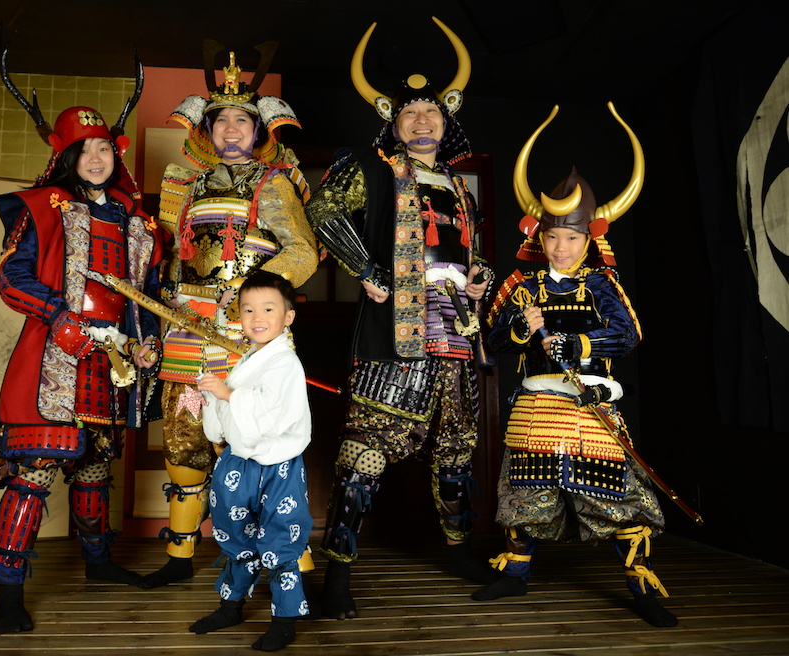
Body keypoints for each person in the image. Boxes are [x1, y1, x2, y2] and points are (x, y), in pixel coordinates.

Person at [304, 17, 494, 620]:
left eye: (430, 111)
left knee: (456, 448)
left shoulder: (459, 186)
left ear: (446, 120)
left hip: (457, 329)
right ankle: (338, 574)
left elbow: (464, 251)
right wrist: (365, 268)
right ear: (393, 122)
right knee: (365, 450)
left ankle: (460, 551)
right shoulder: (371, 165)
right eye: (409, 112)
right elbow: (324, 210)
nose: (420, 120)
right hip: (397, 331)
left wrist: (480, 275)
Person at [474, 104, 677, 627]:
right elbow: (492, 339)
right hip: (537, 404)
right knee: (525, 496)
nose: (560, 247)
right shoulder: (521, 286)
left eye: (571, 238)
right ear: (537, 237)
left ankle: (642, 588)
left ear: (591, 239)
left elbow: (629, 334)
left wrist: (578, 343)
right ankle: (515, 575)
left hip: (589, 403)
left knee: (617, 499)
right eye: (552, 237)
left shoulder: (602, 285)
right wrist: (521, 329)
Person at [0, 49, 161, 634]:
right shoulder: (43, 208)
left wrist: (145, 341)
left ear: (116, 153)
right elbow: (12, 278)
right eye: (83, 150)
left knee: (92, 470)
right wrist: (59, 316)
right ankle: (9, 592)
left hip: (111, 361)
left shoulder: (138, 220)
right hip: (53, 357)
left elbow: (147, 295)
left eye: (104, 147)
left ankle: (99, 564)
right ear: (65, 156)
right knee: (35, 473)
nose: (95, 158)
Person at [139, 42, 319, 589]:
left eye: (242, 120)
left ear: (258, 130)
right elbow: (171, 257)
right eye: (222, 121)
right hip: (185, 326)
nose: (232, 129)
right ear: (207, 131)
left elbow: (303, 253)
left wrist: (247, 294)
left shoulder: (273, 183)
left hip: (245, 331)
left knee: (256, 443)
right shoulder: (185, 184)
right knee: (184, 439)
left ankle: (291, 563)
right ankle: (179, 556)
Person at [188, 270, 312, 651]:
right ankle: (231, 606)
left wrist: (228, 394)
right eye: (248, 310)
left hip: (278, 467)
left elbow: (271, 414)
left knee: (280, 538)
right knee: (234, 535)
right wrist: (212, 396)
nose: (257, 318)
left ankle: (285, 622)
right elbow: (225, 423)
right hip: (238, 464)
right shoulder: (248, 359)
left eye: (268, 309)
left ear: (288, 317)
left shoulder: (286, 363)